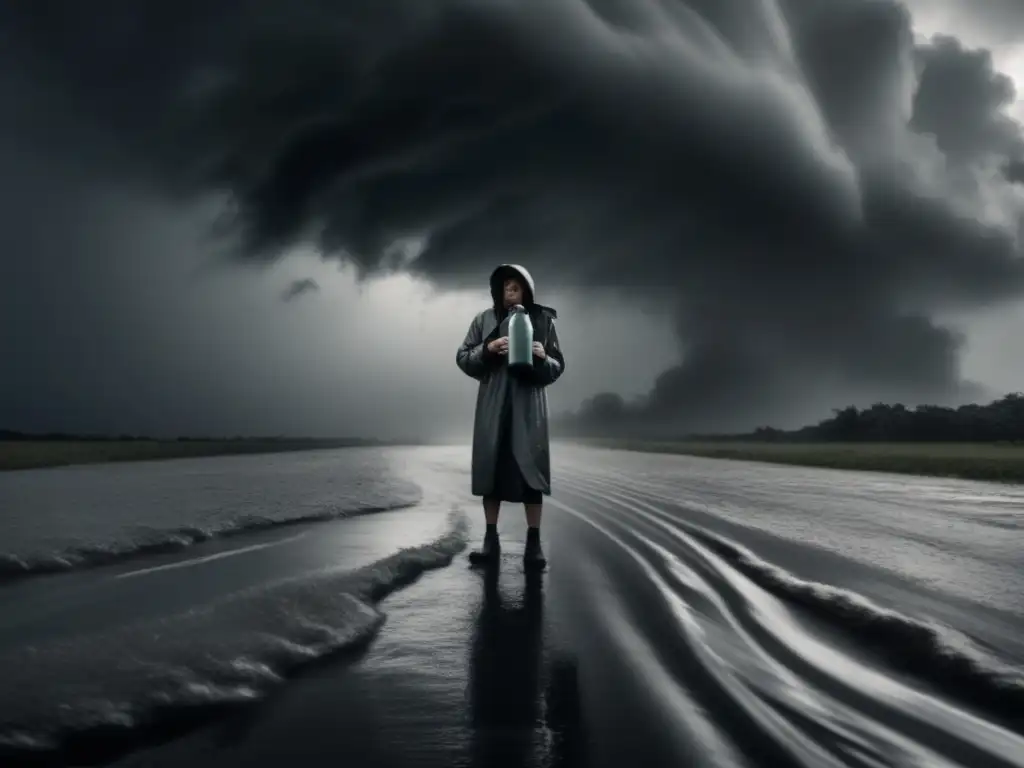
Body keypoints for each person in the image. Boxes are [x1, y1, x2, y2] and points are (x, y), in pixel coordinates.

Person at [456, 264, 565, 569]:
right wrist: (487, 348)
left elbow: (557, 367)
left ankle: (534, 544)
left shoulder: (542, 320)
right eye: (505, 287)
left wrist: (543, 356)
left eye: (516, 287)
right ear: (497, 290)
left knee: (532, 475)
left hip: (529, 408)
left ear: (527, 290)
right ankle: (490, 542)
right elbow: (463, 358)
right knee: (491, 474)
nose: (510, 292)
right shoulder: (484, 320)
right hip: (493, 407)